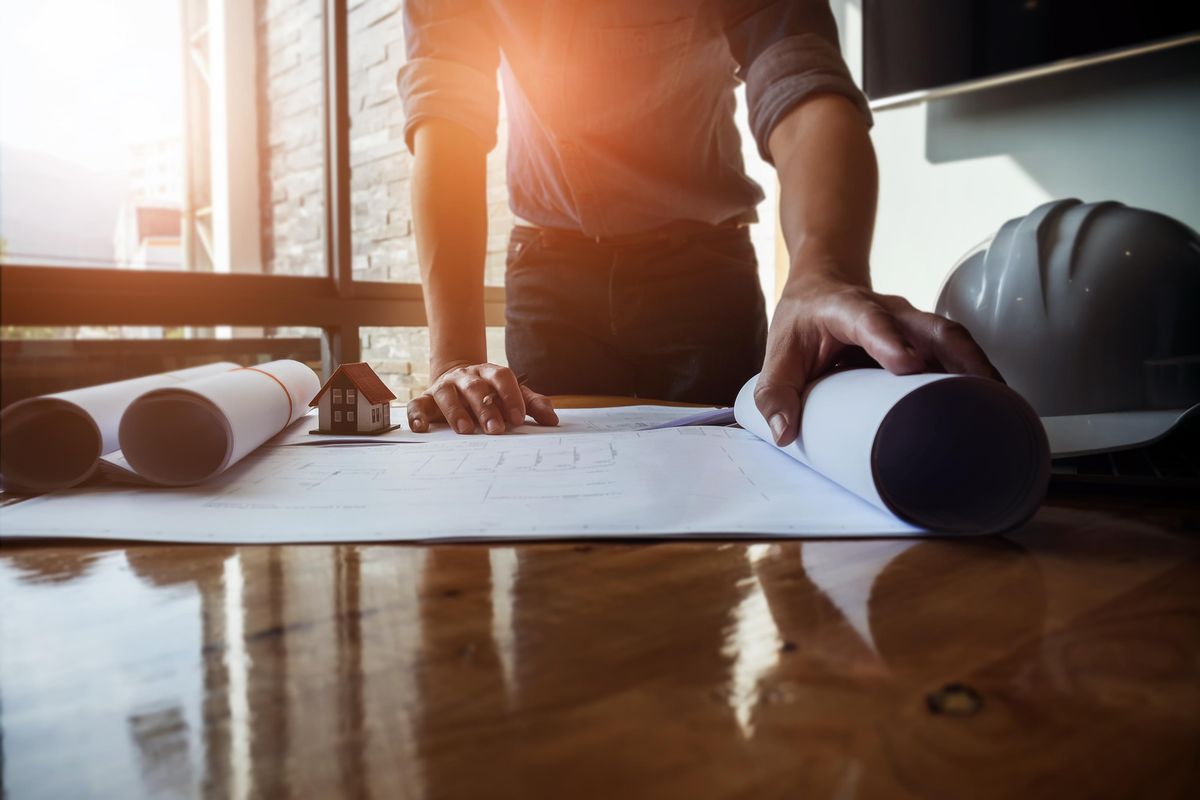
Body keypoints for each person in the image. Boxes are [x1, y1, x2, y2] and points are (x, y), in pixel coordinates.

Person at [399, 0, 1000, 444]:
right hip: (550, 276)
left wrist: (823, 270)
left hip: (703, 275)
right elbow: (446, 123)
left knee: (731, 490)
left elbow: (799, 81)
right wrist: (454, 356)